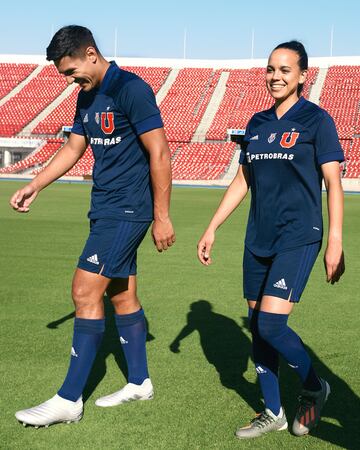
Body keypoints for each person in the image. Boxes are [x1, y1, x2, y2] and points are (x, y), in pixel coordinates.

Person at [11, 25, 175, 427]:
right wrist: (35, 185)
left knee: (84, 290)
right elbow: (73, 147)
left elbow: (160, 150)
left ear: (90, 53)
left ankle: (69, 400)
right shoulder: (86, 97)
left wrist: (163, 215)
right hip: (104, 208)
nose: (70, 81)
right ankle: (139, 382)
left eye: (71, 71)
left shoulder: (131, 89)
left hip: (127, 210)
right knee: (121, 296)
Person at [197, 41, 345, 439]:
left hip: (299, 236)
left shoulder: (317, 120)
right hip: (257, 238)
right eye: (270, 69)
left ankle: (315, 386)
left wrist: (335, 240)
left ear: (302, 76)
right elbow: (243, 180)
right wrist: (212, 227)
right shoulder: (257, 123)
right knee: (259, 328)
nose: (275, 77)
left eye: (284, 70)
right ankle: (272, 411)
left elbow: (333, 181)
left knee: (271, 324)